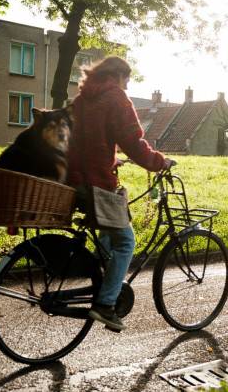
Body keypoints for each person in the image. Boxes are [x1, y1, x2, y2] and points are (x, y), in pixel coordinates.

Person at [67, 56, 173, 331]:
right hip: (97, 184)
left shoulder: (82, 99)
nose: (127, 86)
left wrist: (111, 159)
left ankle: (103, 281)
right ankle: (105, 304)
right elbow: (133, 143)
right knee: (126, 242)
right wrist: (160, 161)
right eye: (127, 80)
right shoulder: (116, 98)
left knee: (107, 236)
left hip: (74, 179)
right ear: (119, 76)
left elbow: (84, 142)